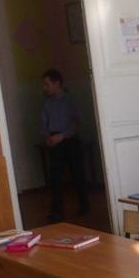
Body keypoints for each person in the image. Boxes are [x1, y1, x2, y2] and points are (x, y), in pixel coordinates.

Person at [41, 68, 89, 222]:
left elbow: (77, 122)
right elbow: (44, 123)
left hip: (69, 141)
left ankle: (84, 205)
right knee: (55, 178)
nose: (45, 88)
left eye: (47, 84)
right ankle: (57, 211)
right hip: (55, 142)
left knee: (77, 175)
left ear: (57, 83)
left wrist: (62, 135)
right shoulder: (48, 104)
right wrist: (48, 136)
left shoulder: (69, 101)